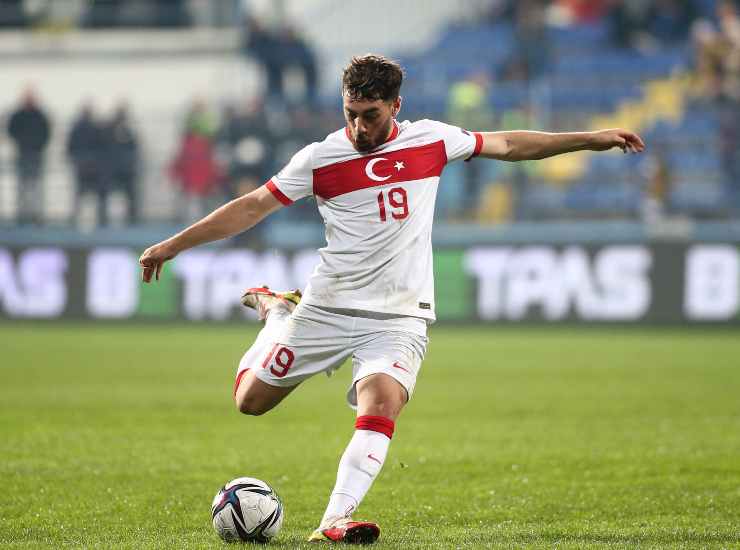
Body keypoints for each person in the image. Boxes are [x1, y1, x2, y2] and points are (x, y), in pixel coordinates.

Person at [139, 54, 645, 544]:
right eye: (350, 114)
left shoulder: (434, 140)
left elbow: (511, 144)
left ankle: (335, 520)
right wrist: (174, 244)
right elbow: (250, 208)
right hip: (328, 307)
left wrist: (590, 139)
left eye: (370, 116)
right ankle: (276, 313)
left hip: (400, 316)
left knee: (381, 403)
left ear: (395, 106)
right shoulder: (320, 158)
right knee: (249, 403)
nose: (359, 127)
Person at [7, 88, 51, 224]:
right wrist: (22, 142)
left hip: (36, 155)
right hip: (22, 155)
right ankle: (22, 215)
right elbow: (11, 130)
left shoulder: (40, 115)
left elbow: (47, 133)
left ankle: (36, 216)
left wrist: (37, 145)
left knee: (36, 187)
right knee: (22, 187)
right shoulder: (18, 115)